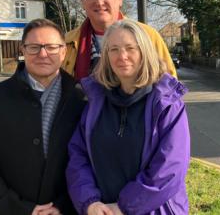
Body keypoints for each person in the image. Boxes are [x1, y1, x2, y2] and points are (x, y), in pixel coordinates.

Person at [66, 19, 190, 215]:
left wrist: (124, 207)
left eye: (130, 48)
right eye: (113, 49)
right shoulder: (95, 100)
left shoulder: (167, 103)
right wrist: (89, 202)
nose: (122, 56)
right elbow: (78, 157)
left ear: (144, 52)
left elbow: (170, 169)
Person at [0, 19, 85, 215]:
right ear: (22, 50)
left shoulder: (83, 97)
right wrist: (18, 209)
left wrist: (63, 206)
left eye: (51, 47)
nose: (43, 54)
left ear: (63, 52)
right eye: (34, 47)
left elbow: (90, 160)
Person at [61, 0, 177, 81]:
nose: (99, 2)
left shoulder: (148, 36)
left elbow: (169, 89)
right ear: (82, 1)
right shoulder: (66, 43)